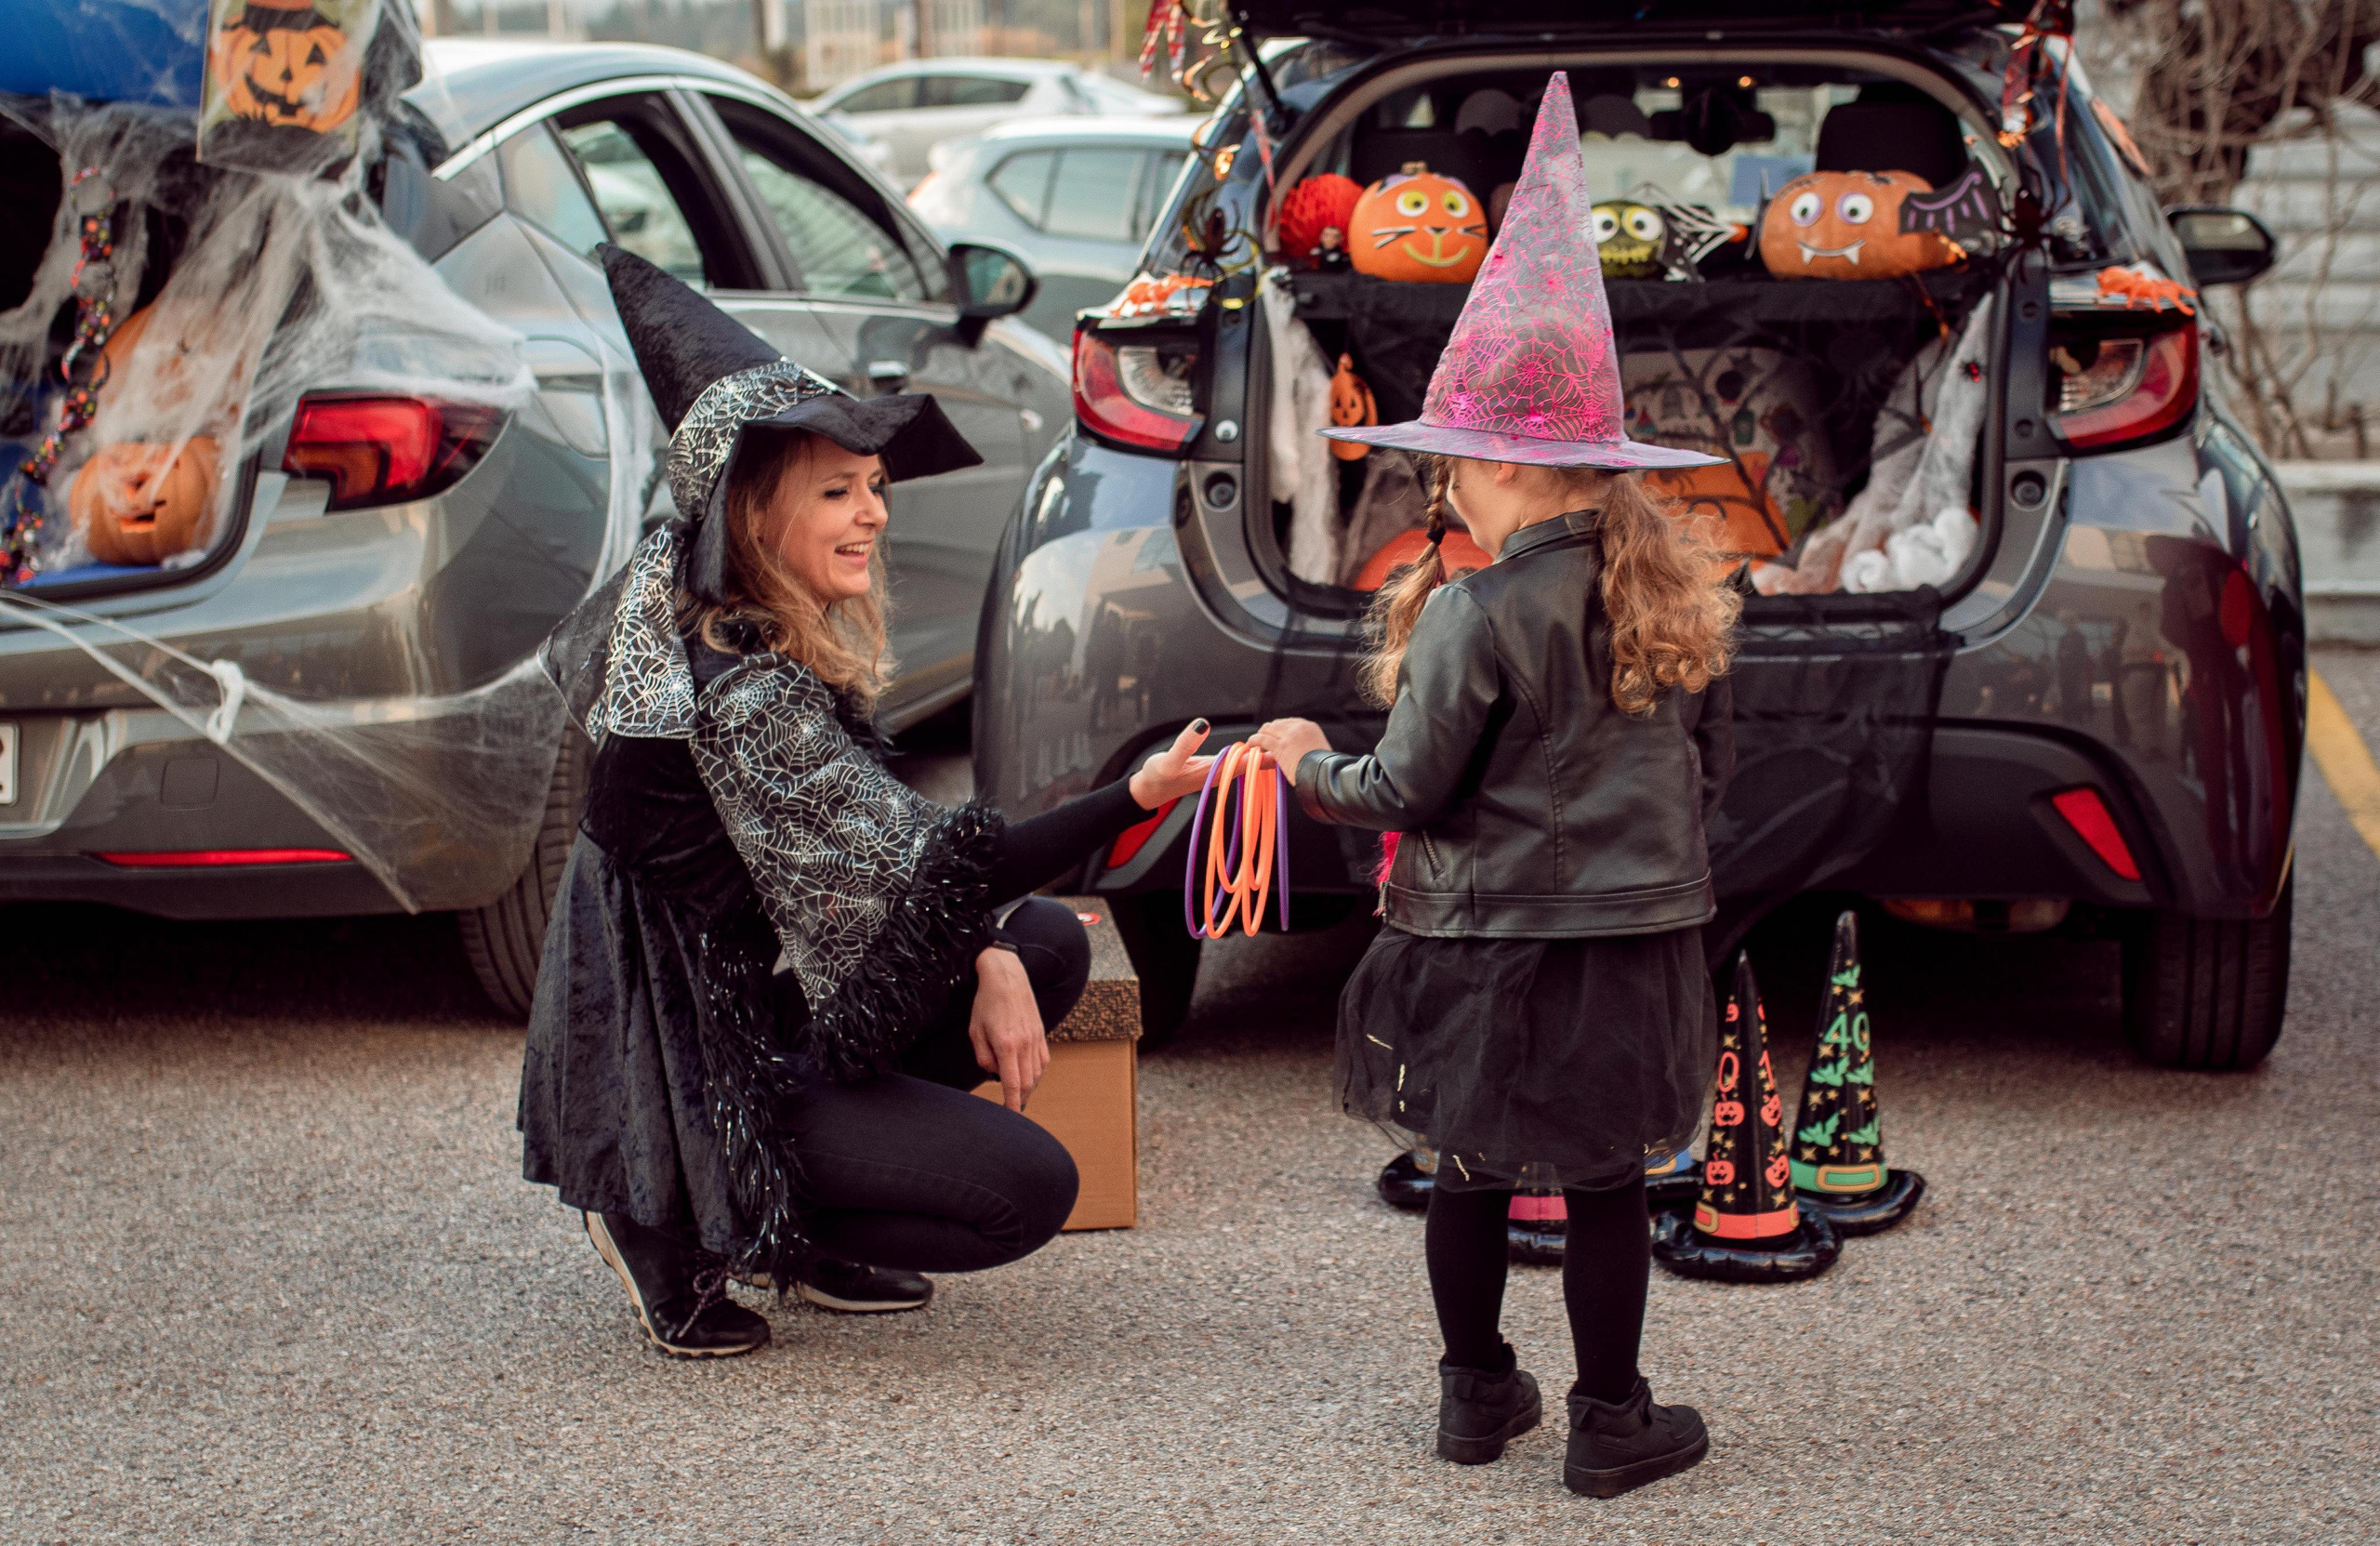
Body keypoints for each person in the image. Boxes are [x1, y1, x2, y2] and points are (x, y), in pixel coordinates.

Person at [520, 244, 1214, 1358]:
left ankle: (798, 1209)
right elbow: (941, 865)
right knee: (1026, 1188)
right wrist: (1138, 792)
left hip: (757, 997)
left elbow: (888, 859)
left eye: (874, 488)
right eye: (836, 491)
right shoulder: (740, 692)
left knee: (1037, 944)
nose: (873, 514)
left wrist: (985, 945)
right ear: (750, 517)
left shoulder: (729, 625)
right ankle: (678, 1221)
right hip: (699, 1071)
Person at [1248, 72, 1738, 1500]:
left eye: (1456, 463)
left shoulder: (1468, 609)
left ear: (1517, 473)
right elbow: (1710, 772)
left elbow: (1405, 782)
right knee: (1602, 1184)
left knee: (1466, 1162)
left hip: (1482, 938)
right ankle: (1611, 1411)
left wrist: (1299, 767)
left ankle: (1475, 1394)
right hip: (1632, 937)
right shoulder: (1659, 600)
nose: (1443, 487)